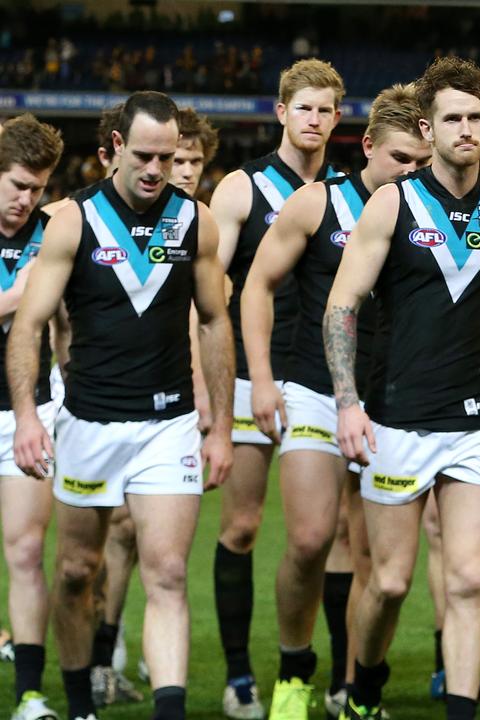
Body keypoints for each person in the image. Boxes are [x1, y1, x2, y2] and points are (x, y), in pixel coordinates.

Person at [7, 90, 235, 720]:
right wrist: (29, 416)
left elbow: (215, 321)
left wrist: (220, 429)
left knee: (165, 573)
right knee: (77, 572)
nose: (157, 170)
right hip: (87, 423)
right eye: (143, 156)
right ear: (112, 149)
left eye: (167, 157)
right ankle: (79, 703)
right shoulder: (73, 222)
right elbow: (28, 326)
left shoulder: (197, 222)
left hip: (169, 425)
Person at [327, 56, 480, 720]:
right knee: (388, 583)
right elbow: (341, 304)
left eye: (477, 117)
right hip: (395, 419)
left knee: (469, 580)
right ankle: (363, 690)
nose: (468, 128)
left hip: (477, 422)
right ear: (429, 127)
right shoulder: (393, 203)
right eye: (454, 118)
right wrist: (347, 403)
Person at [239, 83, 430, 719]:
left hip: (393, 399)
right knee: (311, 538)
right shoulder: (317, 202)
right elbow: (257, 285)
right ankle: (296, 667)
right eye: (401, 160)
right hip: (315, 390)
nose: (411, 174)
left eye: (421, 164)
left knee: (372, 557)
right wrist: (261, 379)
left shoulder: (432, 213)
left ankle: (351, 685)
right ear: (369, 144)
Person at [209, 58, 344, 720]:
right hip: (248, 375)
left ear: (338, 119)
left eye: (326, 109)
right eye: (304, 107)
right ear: (280, 111)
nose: (313, 119)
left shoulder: (349, 195)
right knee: (241, 525)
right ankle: (239, 677)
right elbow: (210, 289)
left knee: (328, 535)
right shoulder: (242, 188)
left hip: (320, 378)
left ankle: (331, 671)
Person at [91, 104, 219, 709]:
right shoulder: (97, 220)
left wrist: (211, 413)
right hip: (101, 398)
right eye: (171, 158)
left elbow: (208, 319)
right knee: (104, 540)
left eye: (188, 161)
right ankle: (102, 649)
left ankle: (130, 652)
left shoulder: (198, 224)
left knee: (162, 558)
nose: (178, 170)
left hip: (172, 403)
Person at [0, 113, 64, 720]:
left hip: (28, 410)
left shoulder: (53, 234)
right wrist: (17, 300)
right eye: (17, 184)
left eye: (39, 188)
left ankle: (30, 694)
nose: (27, 199)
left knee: (24, 552)